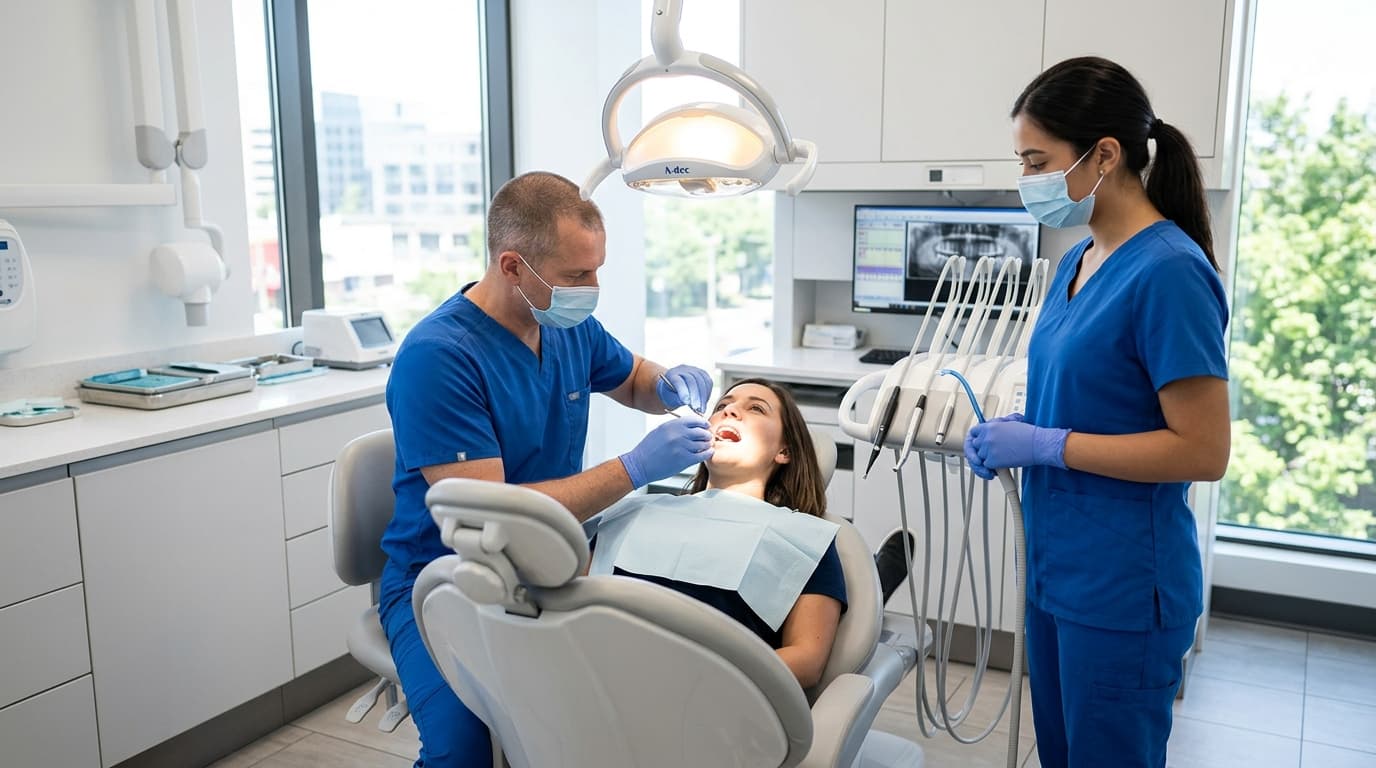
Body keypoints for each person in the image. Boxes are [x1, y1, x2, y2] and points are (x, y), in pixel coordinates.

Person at [381, 171, 719, 768]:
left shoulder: (566, 326)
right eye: (576, 276)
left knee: (592, 724)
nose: (592, 288)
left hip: (553, 568)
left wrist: (666, 386)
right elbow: (502, 520)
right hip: (446, 581)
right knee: (465, 749)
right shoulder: (439, 358)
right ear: (513, 266)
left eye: (596, 270)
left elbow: (633, 378)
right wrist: (635, 467)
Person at [963, 57, 1230, 768]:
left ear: (1104, 154)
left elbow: (1203, 451)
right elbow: (1087, 393)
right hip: (1056, 574)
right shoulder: (1078, 261)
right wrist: (1009, 436)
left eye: (1036, 159)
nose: (1027, 179)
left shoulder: (1169, 272)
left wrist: (1048, 446)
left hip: (1120, 590)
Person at [590, 378, 846, 688]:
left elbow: (807, 660)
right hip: (601, 688)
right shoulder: (635, 512)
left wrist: (699, 680)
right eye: (721, 407)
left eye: (755, 408)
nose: (731, 412)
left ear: (784, 451)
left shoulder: (804, 540)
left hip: (712, 708)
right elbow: (565, 603)